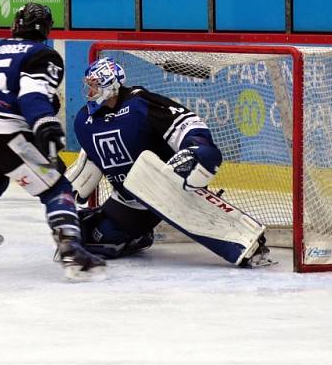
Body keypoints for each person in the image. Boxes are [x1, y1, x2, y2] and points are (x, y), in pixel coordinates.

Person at [0, 2, 105, 281]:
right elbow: (31, 94)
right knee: (57, 187)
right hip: (4, 133)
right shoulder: (44, 54)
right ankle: (72, 250)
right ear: (47, 30)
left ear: (16, 25)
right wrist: (44, 124)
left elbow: (4, 89)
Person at [66, 56, 270, 267]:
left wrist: (196, 147)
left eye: (94, 86)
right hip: (128, 198)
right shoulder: (85, 121)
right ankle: (138, 237)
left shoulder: (139, 104)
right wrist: (66, 192)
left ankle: (243, 240)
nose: (89, 92)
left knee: (198, 161)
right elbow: (93, 158)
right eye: (88, 86)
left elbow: (186, 123)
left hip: (167, 185)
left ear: (111, 86)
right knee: (90, 235)